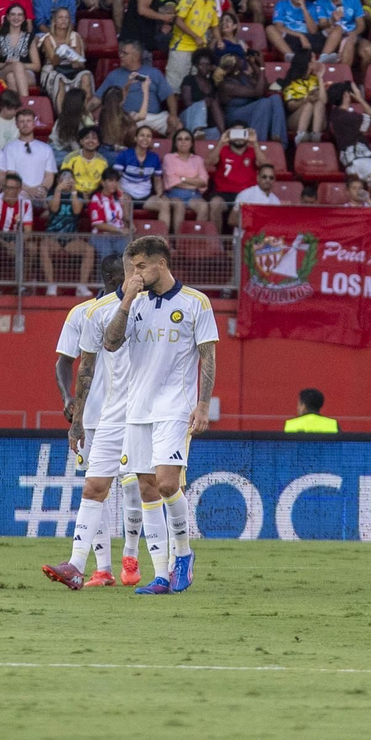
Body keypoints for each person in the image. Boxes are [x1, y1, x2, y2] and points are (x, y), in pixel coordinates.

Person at [99, 235, 218, 596]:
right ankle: (161, 575)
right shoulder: (134, 303)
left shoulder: (195, 302)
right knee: (147, 489)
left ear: (160, 264)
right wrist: (126, 299)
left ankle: (183, 555)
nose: (134, 274)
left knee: (167, 483)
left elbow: (208, 356)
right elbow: (110, 343)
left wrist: (203, 404)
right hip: (137, 408)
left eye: (140, 267)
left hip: (175, 407)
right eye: (131, 268)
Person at [41, 258, 127, 590]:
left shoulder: (144, 308)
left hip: (135, 413)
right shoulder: (82, 313)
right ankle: (102, 569)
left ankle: (138, 561)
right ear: (113, 277)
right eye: (128, 271)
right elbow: (64, 361)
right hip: (93, 415)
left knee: (139, 486)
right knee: (95, 487)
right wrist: (68, 399)